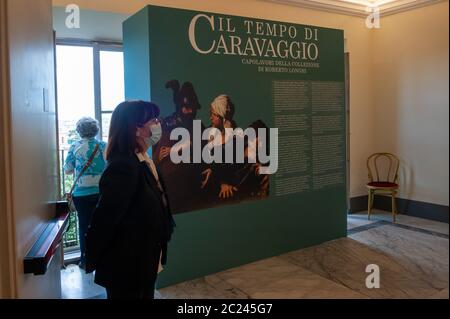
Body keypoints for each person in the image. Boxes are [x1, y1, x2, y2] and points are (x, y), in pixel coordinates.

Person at [85, 101, 176, 299]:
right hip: (127, 266)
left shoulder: (142, 159)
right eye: (153, 120)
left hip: (145, 259)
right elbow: (105, 219)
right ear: (136, 128)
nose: (158, 124)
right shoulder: (123, 166)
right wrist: (93, 259)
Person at [153, 80, 205, 213]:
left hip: (192, 180)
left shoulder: (198, 125)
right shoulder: (167, 124)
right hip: (172, 182)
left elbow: (204, 148)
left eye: (192, 108)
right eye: (186, 107)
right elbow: (158, 154)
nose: (189, 111)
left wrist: (176, 149)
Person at [63, 117, 107, 270]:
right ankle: (102, 258)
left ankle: (86, 260)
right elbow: (110, 166)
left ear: (79, 131)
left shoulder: (74, 146)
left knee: (84, 227)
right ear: (96, 130)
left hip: (81, 194)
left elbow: (68, 170)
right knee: (101, 225)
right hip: (101, 193)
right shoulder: (103, 146)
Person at [201, 95, 242, 205]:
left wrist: (224, 182)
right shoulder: (209, 132)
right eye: (211, 114)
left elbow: (234, 166)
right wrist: (210, 168)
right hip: (214, 182)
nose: (210, 118)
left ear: (223, 117)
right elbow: (206, 159)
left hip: (231, 185)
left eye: (214, 115)